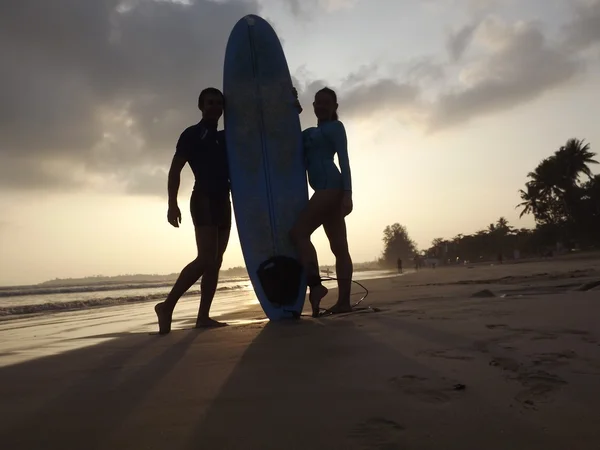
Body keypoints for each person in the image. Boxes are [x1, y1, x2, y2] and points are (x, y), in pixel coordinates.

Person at [154, 87, 231, 335]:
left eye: (218, 103)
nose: (214, 107)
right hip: (203, 198)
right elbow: (175, 170)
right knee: (206, 259)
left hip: (223, 200)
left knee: (216, 262)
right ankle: (166, 306)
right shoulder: (191, 134)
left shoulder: (226, 137)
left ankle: (203, 317)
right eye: (209, 102)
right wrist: (172, 203)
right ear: (200, 106)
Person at [291, 87, 354, 317]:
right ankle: (343, 302)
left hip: (332, 188)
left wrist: (348, 193)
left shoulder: (336, 128)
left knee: (298, 233)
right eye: (318, 102)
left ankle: (316, 285)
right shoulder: (308, 133)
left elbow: (345, 161)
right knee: (339, 247)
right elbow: (289, 138)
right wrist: (292, 107)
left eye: (326, 102)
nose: (321, 106)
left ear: (334, 107)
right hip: (324, 190)